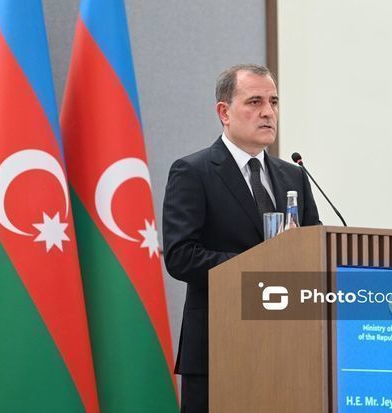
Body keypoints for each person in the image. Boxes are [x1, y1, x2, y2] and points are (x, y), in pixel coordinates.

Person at [162, 64, 321, 413]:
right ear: (224, 112)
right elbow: (181, 256)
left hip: (289, 351)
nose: (268, 112)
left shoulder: (294, 175)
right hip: (219, 347)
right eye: (254, 102)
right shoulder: (193, 172)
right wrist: (258, 266)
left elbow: (316, 251)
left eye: (273, 102)